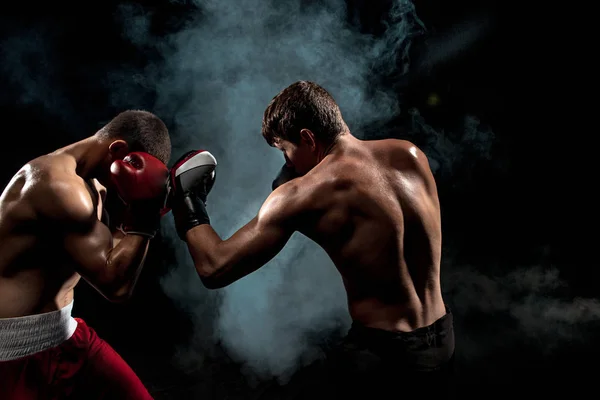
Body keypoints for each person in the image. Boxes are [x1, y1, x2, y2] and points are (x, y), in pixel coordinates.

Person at [169, 81, 455, 397]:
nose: (287, 163)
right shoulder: (410, 153)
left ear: (307, 138)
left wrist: (188, 199)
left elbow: (214, 266)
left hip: (384, 357)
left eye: (285, 151)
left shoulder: (302, 194)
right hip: (442, 337)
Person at [0, 110, 172, 400]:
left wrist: (149, 204)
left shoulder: (95, 185)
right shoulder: (58, 186)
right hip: (14, 353)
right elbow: (115, 285)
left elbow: (114, 251)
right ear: (117, 150)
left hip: (66, 334)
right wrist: (146, 216)